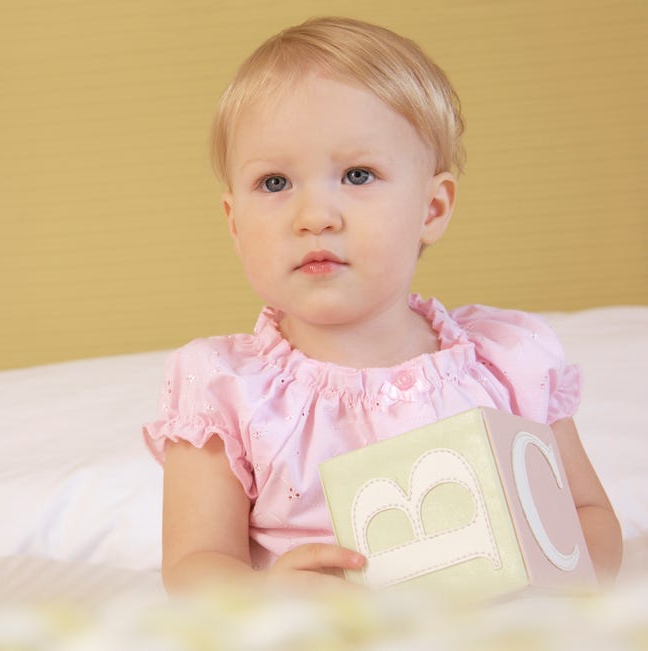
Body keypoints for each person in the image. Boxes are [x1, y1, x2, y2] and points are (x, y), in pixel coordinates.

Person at [143, 16, 622, 595]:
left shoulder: (506, 362)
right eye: (274, 184)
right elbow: (194, 566)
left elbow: (589, 516)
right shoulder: (226, 389)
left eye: (358, 174)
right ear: (234, 222)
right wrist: (264, 593)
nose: (315, 215)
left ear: (432, 207)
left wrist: (555, 591)